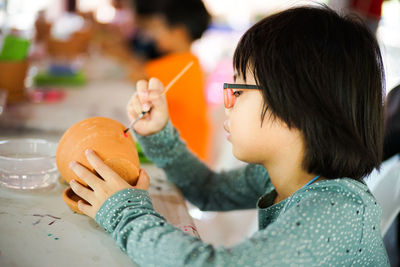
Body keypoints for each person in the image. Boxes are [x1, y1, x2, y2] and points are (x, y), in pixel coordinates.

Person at [68, 5, 390, 266]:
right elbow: (207, 190)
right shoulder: (280, 175)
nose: (228, 102)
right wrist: (160, 134)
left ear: (297, 106)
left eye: (239, 88)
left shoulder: (336, 212)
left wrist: (124, 211)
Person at [129, 0, 212, 162]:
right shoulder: (190, 62)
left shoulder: (178, 67)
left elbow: (136, 74)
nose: (154, 34)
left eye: (159, 27)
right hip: (190, 152)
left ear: (179, 32)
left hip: (182, 157)